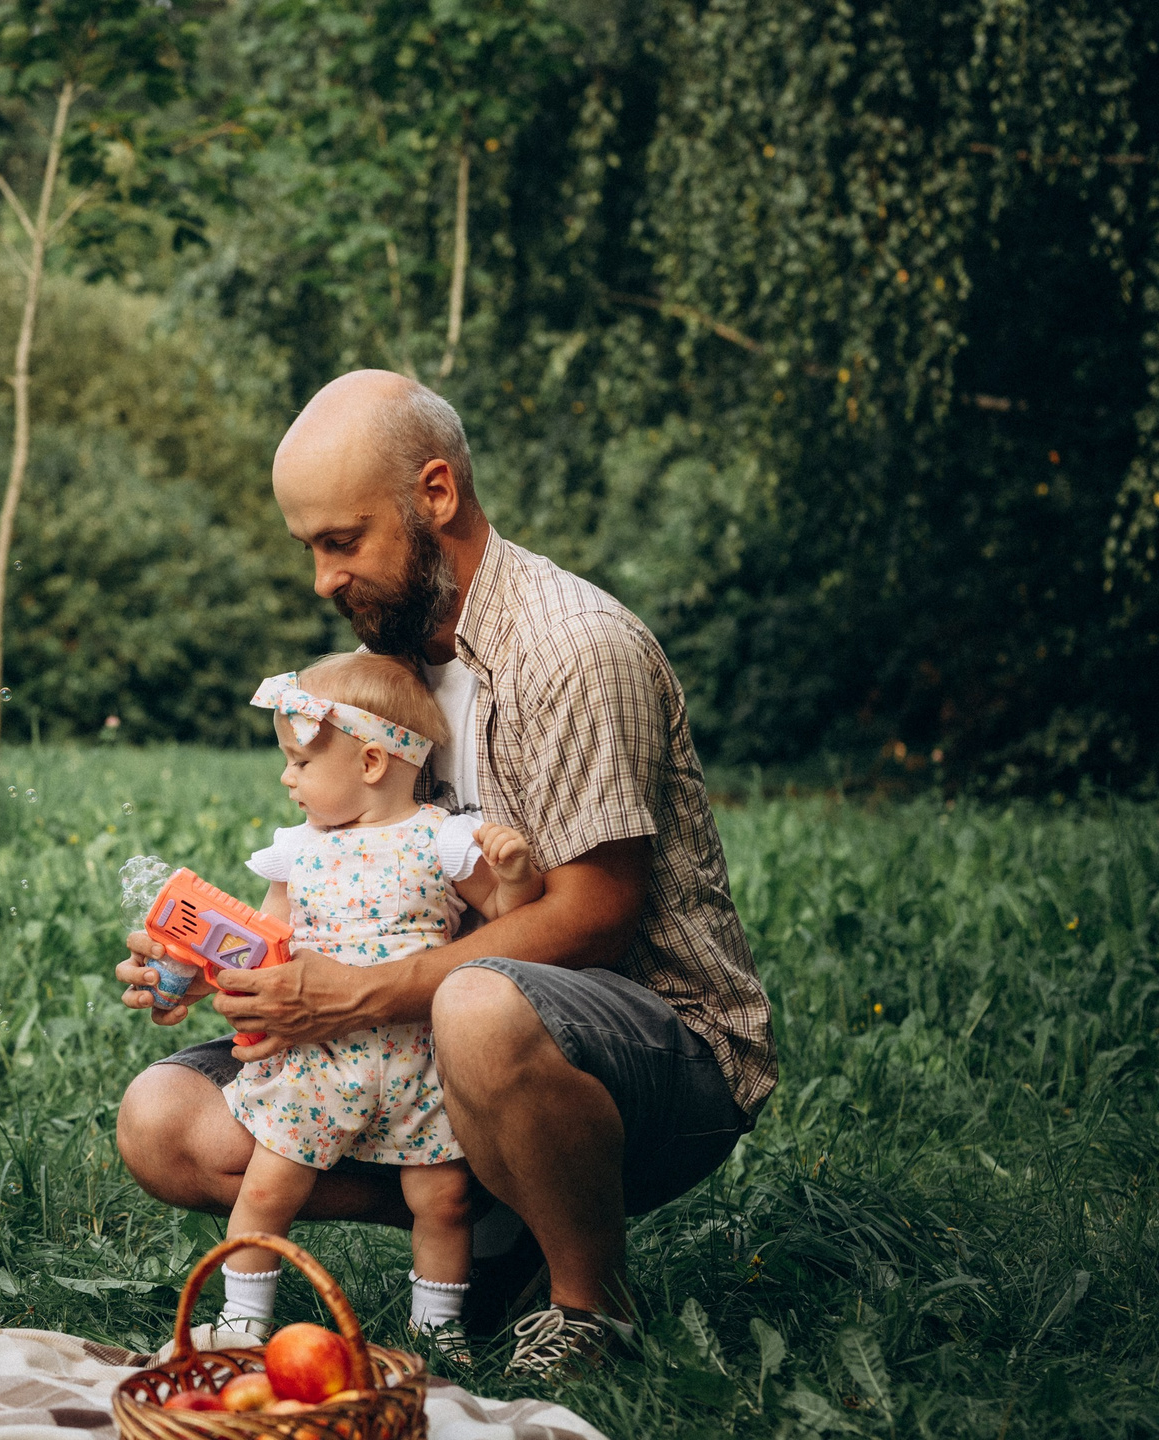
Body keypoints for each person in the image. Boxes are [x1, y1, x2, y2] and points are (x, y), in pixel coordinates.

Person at [115, 370, 777, 1379]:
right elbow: (360, 887)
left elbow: (598, 913)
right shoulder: (387, 669)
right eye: (309, 549)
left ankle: (590, 1307)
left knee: (477, 1004)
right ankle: (484, 1219)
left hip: (654, 1050)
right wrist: (233, 967)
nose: (322, 580)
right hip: (418, 1055)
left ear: (436, 493)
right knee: (161, 1122)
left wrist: (357, 992)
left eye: (342, 541)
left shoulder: (575, 648)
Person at [207, 653, 544, 1363]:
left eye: (300, 761)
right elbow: (264, 946)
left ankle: (438, 1333)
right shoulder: (295, 851)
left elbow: (512, 925)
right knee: (268, 1188)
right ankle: (241, 1319)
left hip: (420, 1062)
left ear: (370, 762)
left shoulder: (442, 838)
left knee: (444, 1201)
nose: (286, 777)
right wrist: (203, 967)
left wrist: (514, 877)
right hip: (317, 1061)